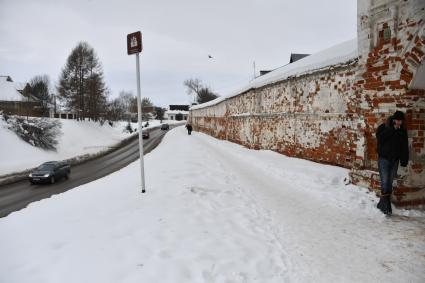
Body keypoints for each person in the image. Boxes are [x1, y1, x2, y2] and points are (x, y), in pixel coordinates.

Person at [375, 110, 409, 215]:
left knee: (389, 183)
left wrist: (404, 160)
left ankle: (382, 203)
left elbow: (404, 147)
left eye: (401, 121)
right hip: (384, 159)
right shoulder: (384, 127)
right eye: (397, 120)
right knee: (385, 182)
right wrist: (392, 129)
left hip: (395, 160)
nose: (399, 122)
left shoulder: (402, 131)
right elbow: (380, 138)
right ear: (393, 119)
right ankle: (387, 207)